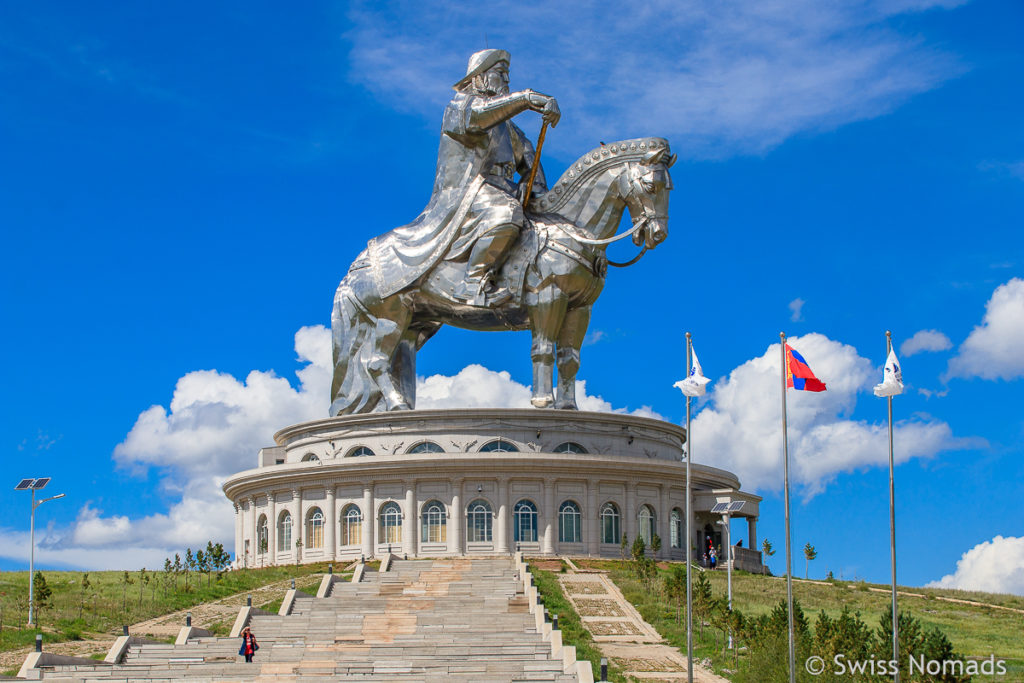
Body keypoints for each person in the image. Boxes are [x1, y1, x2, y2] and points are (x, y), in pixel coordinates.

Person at [368, 48, 560, 305]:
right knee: (505, 214)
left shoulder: (510, 129)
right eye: (501, 74)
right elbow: (480, 116)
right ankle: (474, 282)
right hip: (468, 191)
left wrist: (534, 186)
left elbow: (529, 160)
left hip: (506, 189)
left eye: (507, 75)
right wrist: (526, 99)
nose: (507, 82)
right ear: (479, 77)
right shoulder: (459, 107)